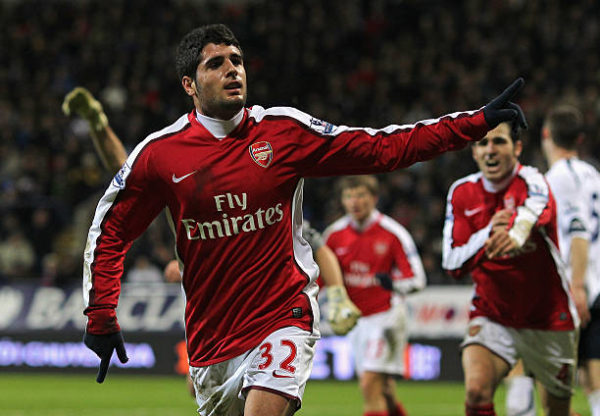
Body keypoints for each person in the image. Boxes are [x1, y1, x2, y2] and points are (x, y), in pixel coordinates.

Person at [72, 22, 526, 416]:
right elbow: (110, 230)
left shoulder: (283, 132)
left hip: (283, 315)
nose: (233, 69)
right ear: (189, 85)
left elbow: (384, 147)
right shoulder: (161, 154)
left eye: (238, 60)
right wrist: (101, 314)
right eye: (217, 64)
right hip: (212, 340)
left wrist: (475, 122)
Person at [62, 85, 362, 397]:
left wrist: (339, 294)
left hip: (271, 312)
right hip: (210, 309)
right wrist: (98, 125)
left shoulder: (263, 192)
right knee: (196, 388)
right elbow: (124, 172)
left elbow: (317, 243)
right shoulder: (182, 178)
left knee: (267, 395)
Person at [442, 120, 579, 416]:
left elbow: (537, 208)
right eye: (482, 143)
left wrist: (516, 233)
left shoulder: (533, 181)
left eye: (499, 142)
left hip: (548, 317)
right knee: (476, 391)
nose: (490, 149)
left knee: (558, 411)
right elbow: (452, 263)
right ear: (474, 153)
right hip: (494, 313)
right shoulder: (462, 192)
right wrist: (487, 234)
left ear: (517, 148)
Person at [324, 175, 426, 416]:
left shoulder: (392, 233)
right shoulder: (334, 235)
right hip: (357, 321)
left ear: (374, 198)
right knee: (385, 389)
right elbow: (320, 278)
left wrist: (393, 284)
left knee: (369, 384)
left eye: (360, 195)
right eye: (348, 196)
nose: (354, 202)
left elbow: (418, 280)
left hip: (386, 317)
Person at [542, 105, 600, 416]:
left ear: (546, 135)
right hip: (597, 280)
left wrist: (577, 285)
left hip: (573, 286)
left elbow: (578, 230)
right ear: (578, 139)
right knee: (593, 377)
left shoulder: (557, 178)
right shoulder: (593, 174)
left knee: (549, 382)